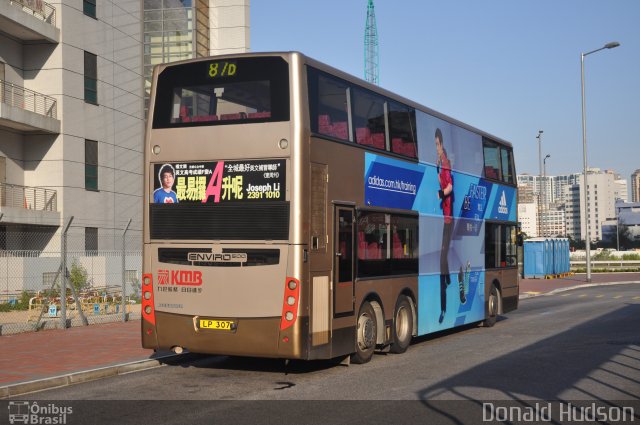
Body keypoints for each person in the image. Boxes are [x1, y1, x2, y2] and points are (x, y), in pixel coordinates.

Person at [435, 128, 453, 323]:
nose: (436, 148)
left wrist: (441, 194)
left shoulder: (446, 164)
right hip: (444, 219)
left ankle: (443, 309)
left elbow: (450, 187)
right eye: (435, 144)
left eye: (438, 144)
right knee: (442, 259)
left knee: (441, 262)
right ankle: (447, 279)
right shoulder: (441, 163)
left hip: (449, 220)